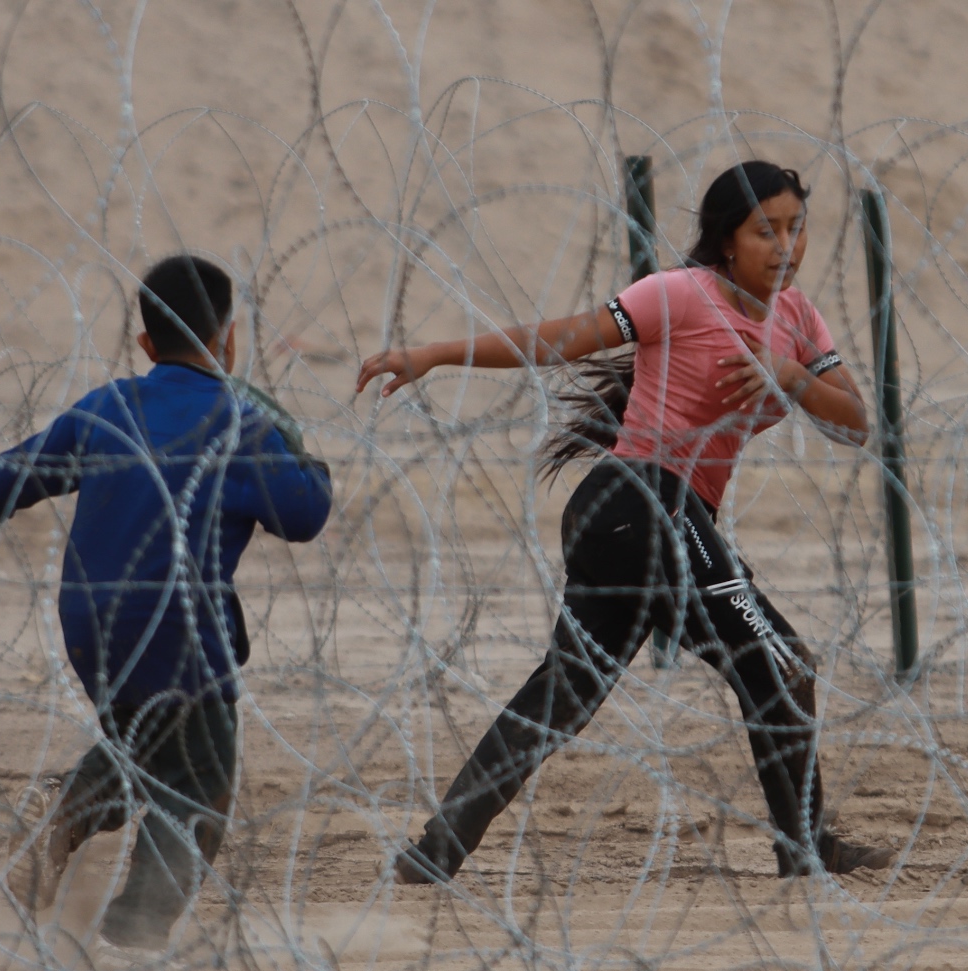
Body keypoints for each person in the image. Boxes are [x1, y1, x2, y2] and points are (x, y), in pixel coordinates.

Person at [357, 160, 895, 884]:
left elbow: (856, 424)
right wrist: (435, 355)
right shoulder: (679, 294)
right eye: (765, 231)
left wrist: (791, 376)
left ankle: (436, 850)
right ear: (726, 239)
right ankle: (806, 848)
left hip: (654, 521)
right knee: (783, 663)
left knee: (567, 693)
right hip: (643, 502)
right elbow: (563, 337)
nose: (786, 246)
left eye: (796, 228)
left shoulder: (797, 320)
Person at [0, 255, 333, 958]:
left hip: (90, 625)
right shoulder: (240, 423)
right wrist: (304, 456)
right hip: (180, 627)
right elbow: (304, 514)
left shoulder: (107, 408)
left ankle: (62, 810)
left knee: (150, 746)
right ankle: (133, 929)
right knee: (199, 784)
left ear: (147, 343)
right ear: (229, 338)